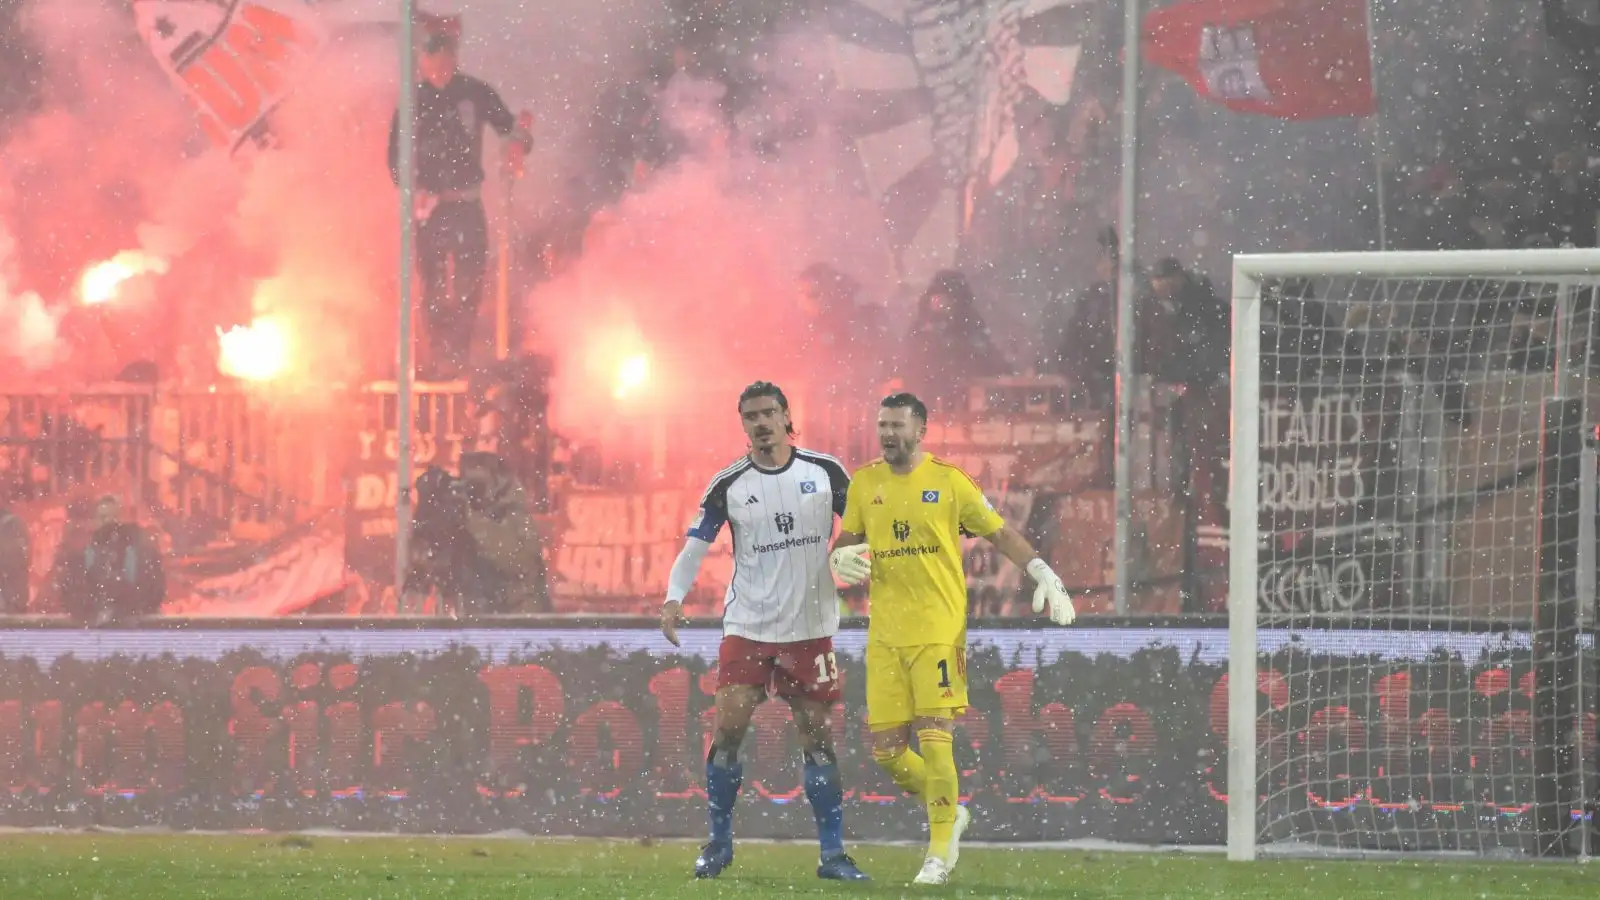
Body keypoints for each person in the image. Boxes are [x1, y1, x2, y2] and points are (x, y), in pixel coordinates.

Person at [827, 392, 1075, 886]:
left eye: (898, 425)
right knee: (888, 754)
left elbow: (1000, 533)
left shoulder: (948, 481)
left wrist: (1042, 571)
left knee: (936, 741)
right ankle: (951, 812)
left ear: (921, 430)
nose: (889, 434)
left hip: (939, 629)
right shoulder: (865, 483)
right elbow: (846, 543)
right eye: (882, 425)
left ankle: (938, 852)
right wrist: (837, 559)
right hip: (885, 634)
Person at [659, 381, 869, 883]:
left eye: (769, 413)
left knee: (816, 738)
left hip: (811, 626)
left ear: (785, 416)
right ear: (743, 424)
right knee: (727, 732)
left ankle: (833, 855)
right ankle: (718, 845)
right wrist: (672, 598)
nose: (761, 423)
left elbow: (867, 523)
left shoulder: (826, 472)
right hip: (749, 625)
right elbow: (694, 546)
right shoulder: (727, 484)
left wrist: (859, 557)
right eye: (750, 416)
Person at [387, 14, 533, 378]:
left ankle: (459, 357)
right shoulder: (412, 100)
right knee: (433, 284)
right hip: (429, 208)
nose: (438, 68)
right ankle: (438, 357)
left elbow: (509, 127)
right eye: (431, 60)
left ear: (454, 58)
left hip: (467, 203)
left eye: (445, 59)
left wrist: (520, 140)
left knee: (469, 282)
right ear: (422, 61)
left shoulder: (475, 92)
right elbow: (395, 156)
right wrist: (411, 188)